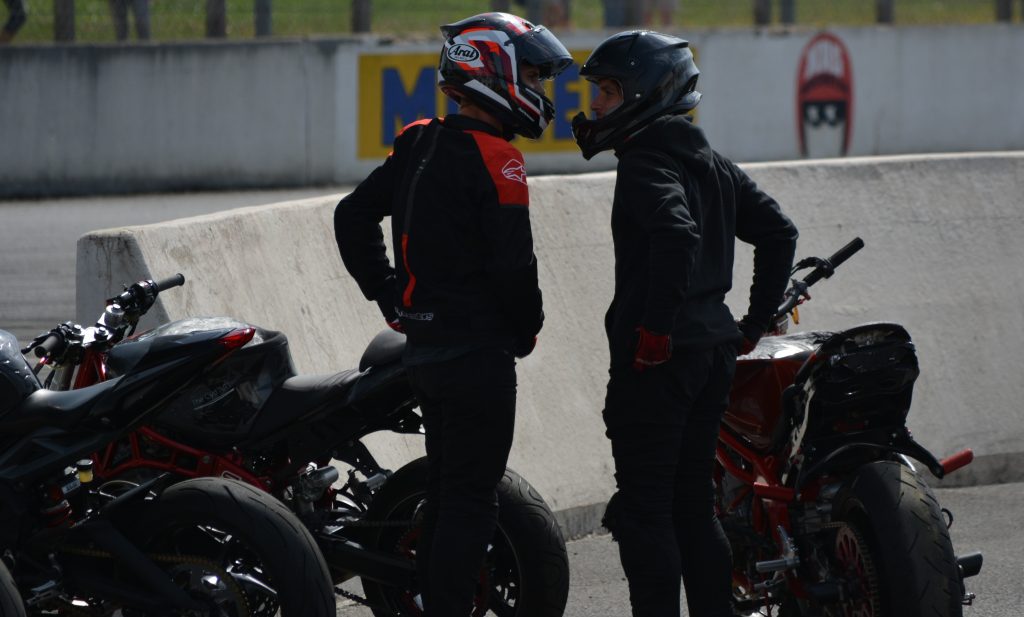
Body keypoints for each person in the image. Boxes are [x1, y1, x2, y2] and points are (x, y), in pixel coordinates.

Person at [334, 12, 572, 617]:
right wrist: (527, 330)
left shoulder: (418, 139)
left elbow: (352, 216)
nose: (540, 92)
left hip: (425, 354)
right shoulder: (500, 159)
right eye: (534, 77)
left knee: (446, 494)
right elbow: (516, 270)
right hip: (478, 358)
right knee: (471, 502)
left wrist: (388, 294)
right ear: (493, 72)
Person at [571, 31, 798, 617]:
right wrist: (750, 323)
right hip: (712, 354)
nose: (595, 106)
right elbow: (779, 231)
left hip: (661, 363)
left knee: (646, 515)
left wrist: (654, 331)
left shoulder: (647, 162)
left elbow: (676, 234)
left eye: (608, 92)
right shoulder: (711, 162)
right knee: (693, 509)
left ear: (648, 93)